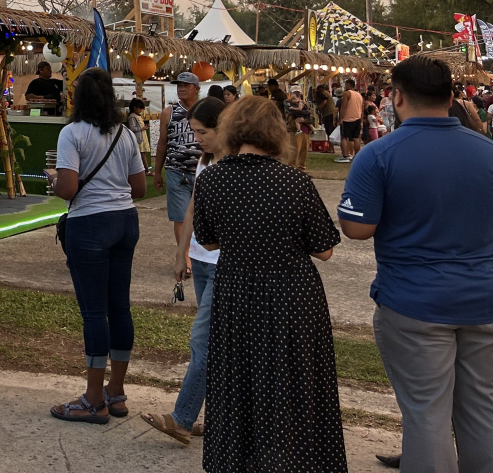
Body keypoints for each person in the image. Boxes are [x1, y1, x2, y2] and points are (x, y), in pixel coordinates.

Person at [338, 56, 493, 472]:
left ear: (397, 97)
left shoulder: (379, 154)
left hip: (414, 302)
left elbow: (356, 229)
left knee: (427, 415)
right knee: (482, 413)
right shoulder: (487, 150)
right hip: (484, 299)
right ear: (451, 97)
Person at [193, 95, 345, 472]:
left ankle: (239, 460)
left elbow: (208, 241)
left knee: (238, 381)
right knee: (293, 383)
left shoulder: (212, 179)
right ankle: (294, 460)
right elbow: (324, 250)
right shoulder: (294, 182)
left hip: (237, 292)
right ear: (275, 133)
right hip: (291, 296)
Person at [46, 68, 146, 423]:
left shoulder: (70, 134)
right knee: (119, 308)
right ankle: (115, 393)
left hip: (88, 224)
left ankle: (92, 399)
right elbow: (140, 188)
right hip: (125, 221)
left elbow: (69, 189)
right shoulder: (125, 133)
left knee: (93, 313)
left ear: (78, 99)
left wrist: (54, 180)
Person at [141, 96, 225, 444]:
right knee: (216, 344)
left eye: (203, 132)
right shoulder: (206, 160)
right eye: (193, 132)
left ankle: (182, 417)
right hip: (202, 262)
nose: (197, 140)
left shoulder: (237, 165)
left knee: (203, 342)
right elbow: (192, 206)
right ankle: (216, 421)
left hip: (224, 265)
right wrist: (182, 252)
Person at [153, 72, 202, 262]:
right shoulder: (169, 112)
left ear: (196, 89)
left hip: (202, 172)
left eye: (186, 85)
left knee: (202, 217)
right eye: (179, 85)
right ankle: (185, 257)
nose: (181, 88)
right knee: (180, 217)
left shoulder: (205, 111)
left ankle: (201, 254)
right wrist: (157, 172)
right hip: (176, 171)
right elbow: (162, 143)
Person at [284, 86, 313, 171]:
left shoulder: (305, 103)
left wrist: (305, 117)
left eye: (297, 92)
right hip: (294, 130)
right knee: (294, 151)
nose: (296, 94)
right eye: (294, 92)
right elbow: (293, 112)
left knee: (304, 151)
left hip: (305, 129)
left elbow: (310, 116)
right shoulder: (287, 103)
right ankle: (291, 169)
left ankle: (302, 169)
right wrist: (306, 112)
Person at [336, 79, 363, 163]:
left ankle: (345, 155)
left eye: (345, 84)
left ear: (348, 84)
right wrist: (361, 119)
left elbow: (343, 107)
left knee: (344, 137)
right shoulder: (359, 95)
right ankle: (357, 155)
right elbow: (362, 108)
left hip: (348, 118)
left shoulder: (347, 93)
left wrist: (341, 118)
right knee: (356, 138)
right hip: (357, 117)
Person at [126, 98, 150, 173]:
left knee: (143, 154)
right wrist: (142, 128)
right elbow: (132, 128)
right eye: (140, 108)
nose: (141, 110)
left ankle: (144, 170)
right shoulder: (132, 116)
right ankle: (147, 170)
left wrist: (144, 127)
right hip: (138, 138)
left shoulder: (137, 115)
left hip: (141, 137)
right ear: (135, 107)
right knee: (142, 154)